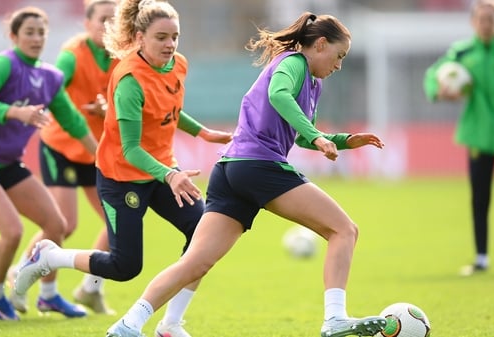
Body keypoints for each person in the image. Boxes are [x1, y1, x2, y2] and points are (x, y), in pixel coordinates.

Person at [20, 10, 389, 337]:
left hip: (230, 171)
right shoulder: (293, 63)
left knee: (196, 260)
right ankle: (335, 319)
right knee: (344, 230)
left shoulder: (312, 81)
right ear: (319, 44)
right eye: (339, 56)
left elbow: (299, 129)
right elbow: (279, 97)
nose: (339, 65)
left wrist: (338, 140)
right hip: (256, 166)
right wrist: (315, 135)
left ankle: (129, 325)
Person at [14, 0, 232, 336]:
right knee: (124, 265)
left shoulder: (178, 64)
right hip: (123, 177)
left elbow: (168, 111)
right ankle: (48, 257)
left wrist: (202, 132)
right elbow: (130, 149)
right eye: (161, 37)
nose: (170, 44)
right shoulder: (129, 77)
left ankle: (171, 324)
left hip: (161, 171)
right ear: (140, 37)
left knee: (203, 236)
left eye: (175, 36)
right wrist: (171, 174)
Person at [0, 6, 98, 321]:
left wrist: (100, 157)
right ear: (14, 36)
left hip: (7, 162)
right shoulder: (4, 63)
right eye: (29, 32)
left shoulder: (50, 76)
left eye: (41, 32)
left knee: (56, 225)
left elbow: (72, 120)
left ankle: (48, 296)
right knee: (13, 231)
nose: (36, 38)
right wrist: (19, 112)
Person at [7, 0, 118, 316]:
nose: (109, 26)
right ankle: (21, 272)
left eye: (115, 20)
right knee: (64, 224)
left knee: (118, 223)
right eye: (103, 20)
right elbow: (53, 88)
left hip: (96, 150)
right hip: (62, 148)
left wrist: (107, 109)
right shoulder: (72, 54)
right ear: (87, 24)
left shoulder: (122, 56)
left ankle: (90, 289)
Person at [423, 0, 494, 276]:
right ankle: (481, 258)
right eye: (481, 19)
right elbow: (433, 75)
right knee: (480, 197)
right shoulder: (463, 53)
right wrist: (440, 91)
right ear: (473, 22)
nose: (486, 25)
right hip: (479, 135)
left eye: (491, 19)